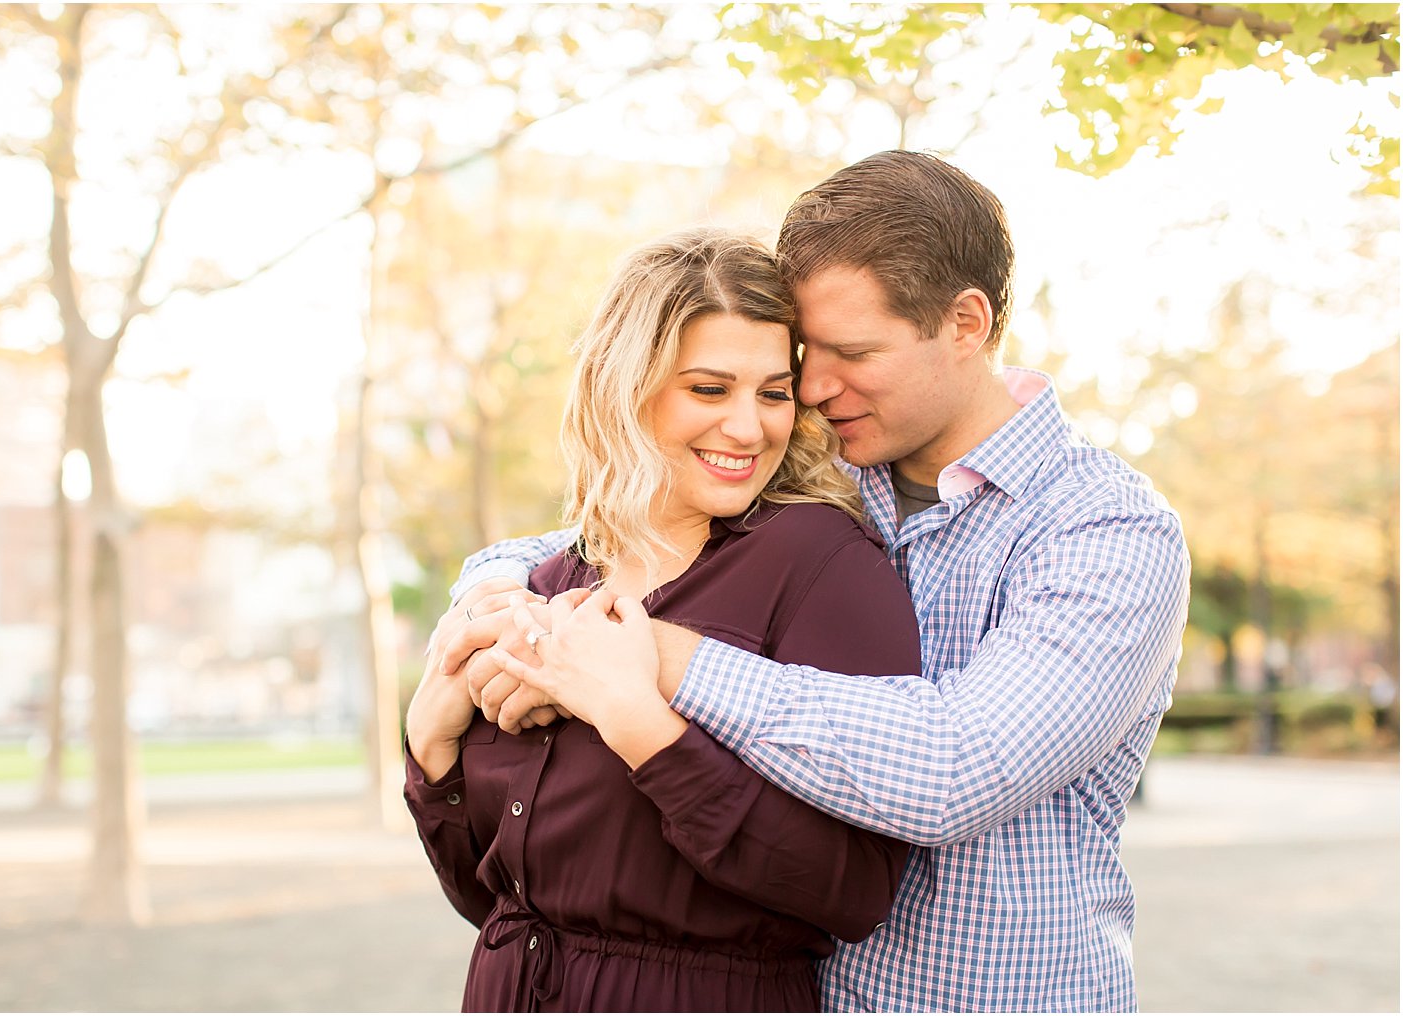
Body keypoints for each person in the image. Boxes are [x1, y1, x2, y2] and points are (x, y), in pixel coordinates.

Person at [441, 151, 1192, 1013]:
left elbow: (957, 769)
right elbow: (598, 533)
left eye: (853, 352)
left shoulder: (1102, 529)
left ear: (965, 323)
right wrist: (499, 602)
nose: (814, 388)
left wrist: (653, 654)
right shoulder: (827, 468)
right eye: (806, 353)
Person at [403, 228, 923, 1012]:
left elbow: (849, 890)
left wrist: (635, 718)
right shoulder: (551, 581)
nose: (749, 429)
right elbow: (500, 903)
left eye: (773, 393)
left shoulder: (821, 564)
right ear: (624, 386)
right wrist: (431, 749)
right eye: (710, 390)